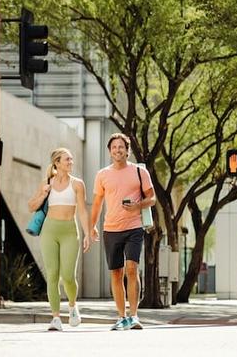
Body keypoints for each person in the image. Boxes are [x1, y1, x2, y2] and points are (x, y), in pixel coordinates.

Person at [90, 132, 156, 331]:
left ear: (127, 151)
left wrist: (138, 206)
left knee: (132, 268)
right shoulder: (102, 174)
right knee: (116, 273)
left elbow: (152, 199)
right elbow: (97, 203)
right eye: (114, 147)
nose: (117, 150)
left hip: (134, 227)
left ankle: (134, 315)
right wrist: (91, 225)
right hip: (111, 229)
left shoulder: (139, 172)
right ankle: (121, 317)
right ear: (110, 151)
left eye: (121, 147)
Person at [27, 147, 91, 331]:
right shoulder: (47, 182)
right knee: (53, 274)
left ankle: (72, 306)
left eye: (71, 159)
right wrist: (43, 194)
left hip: (70, 231)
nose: (71, 162)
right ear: (57, 162)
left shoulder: (77, 184)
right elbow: (31, 206)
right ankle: (55, 318)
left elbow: (82, 211)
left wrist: (87, 233)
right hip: (49, 231)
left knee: (68, 275)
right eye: (67, 159)